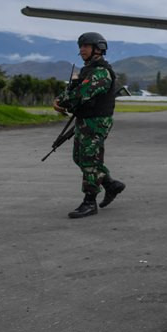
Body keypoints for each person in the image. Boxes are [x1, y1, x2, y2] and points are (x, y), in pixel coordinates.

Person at [53, 32, 125, 218]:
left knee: (89, 160)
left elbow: (82, 93)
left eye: (86, 46)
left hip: (96, 121)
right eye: (81, 46)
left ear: (98, 49)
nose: (82, 49)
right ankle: (110, 184)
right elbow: (76, 90)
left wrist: (61, 101)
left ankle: (89, 201)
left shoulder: (101, 72)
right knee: (79, 157)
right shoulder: (89, 70)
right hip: (86, 119)